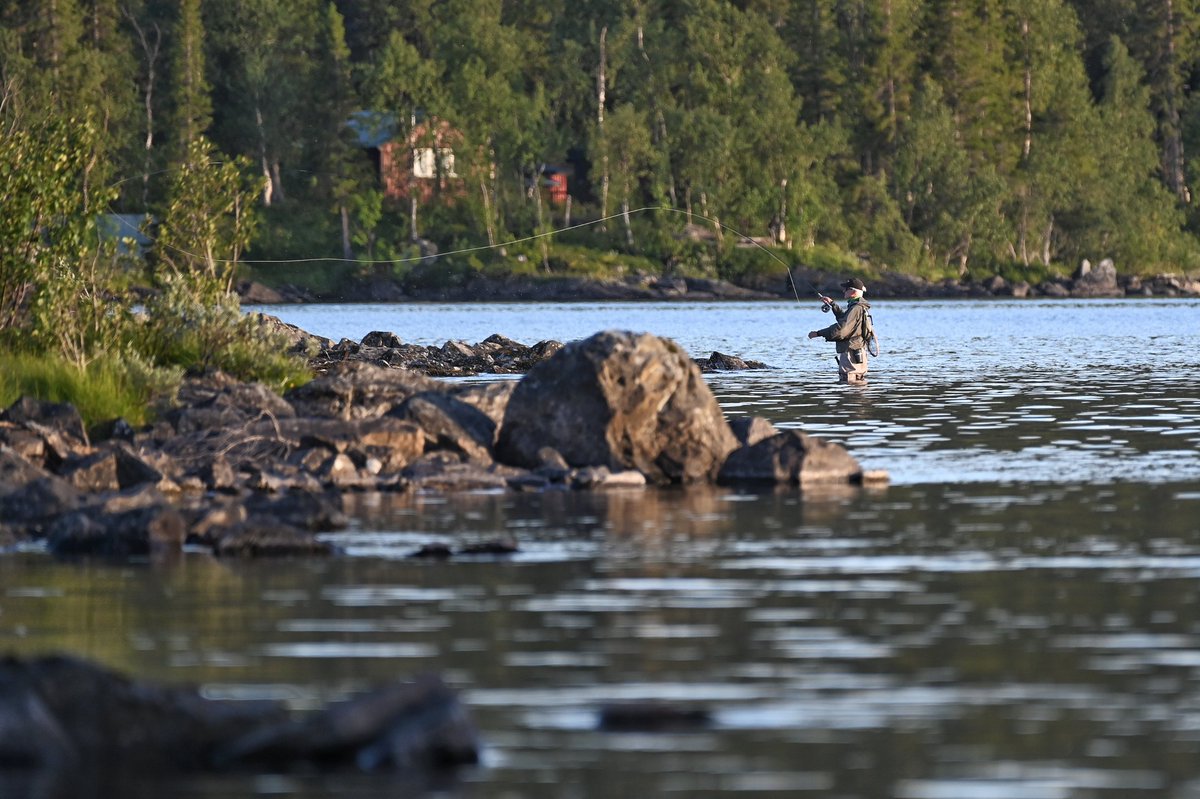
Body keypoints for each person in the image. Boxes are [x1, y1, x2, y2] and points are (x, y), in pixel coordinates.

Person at [808, 277, 872, 384]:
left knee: (849, 389)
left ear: (853, 291)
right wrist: (833, 304)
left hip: (851, 356)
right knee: (858, 390)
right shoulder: (859, 307)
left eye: (846, 289)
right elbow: (846, 321)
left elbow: (841, 330)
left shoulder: (856, 308)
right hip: (858, 355)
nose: (843, 291)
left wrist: (818, 333)